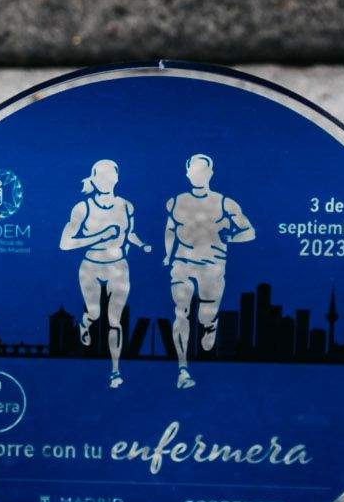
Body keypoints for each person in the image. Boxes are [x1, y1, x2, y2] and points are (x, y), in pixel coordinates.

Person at [163, 153, 255, 389]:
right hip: (182, 264)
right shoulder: (175, 202)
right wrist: (168, 255)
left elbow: (250, 232)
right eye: (193, 171)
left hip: (213, 267)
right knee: (180, 313)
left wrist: (231, 237)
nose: (198, 175)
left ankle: (210, 325)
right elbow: (171, 230)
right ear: (187, 173)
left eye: (203, 171)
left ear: (210, 174)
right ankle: (182, 369)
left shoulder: (226, 203)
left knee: (206, 313)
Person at [58, 159, 147, 388]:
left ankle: (115, 371)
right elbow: (65, 243)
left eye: (110, 176)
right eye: (101, 176)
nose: (106, 181)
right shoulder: (82, 208)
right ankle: (86, 323)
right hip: (91, 267)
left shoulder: (127, 206)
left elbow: (129, 234)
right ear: (93, 179)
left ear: (117, 178)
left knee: (115, 321)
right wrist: (101, 236)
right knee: (96, 314)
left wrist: (142, 245)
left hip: (119, 267)